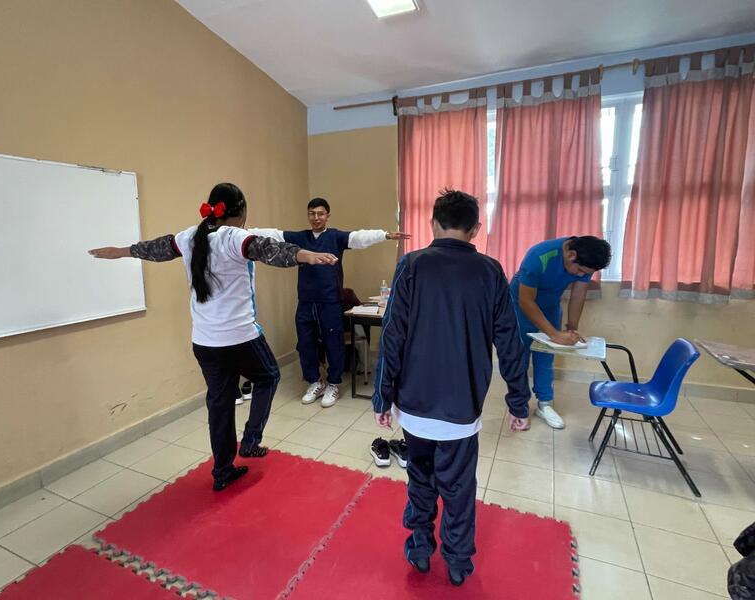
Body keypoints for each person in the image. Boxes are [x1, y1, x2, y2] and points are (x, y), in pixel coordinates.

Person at [89, 183, 337, 491]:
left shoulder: (190, 236)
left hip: (205, 342)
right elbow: (267, 250)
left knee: (220, 404)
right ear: (241, 212)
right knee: (269, 376)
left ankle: (222, 471)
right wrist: (304, 255)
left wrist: (123, 252)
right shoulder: (235, 237)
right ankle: (250, 440)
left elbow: (156, 248)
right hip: (240, 337)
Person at [372, 189, 531, 587]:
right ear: (476, 228)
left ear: (432, 223)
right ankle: (458, 561)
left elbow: (392, 335)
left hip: (414, 404)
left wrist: (382, 395)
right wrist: (518, 401)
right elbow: (510, 340)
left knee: (420, 479)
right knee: (459, 489)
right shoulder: (491, 271)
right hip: (462, 409)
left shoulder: (411, 265)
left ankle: (421, 549)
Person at [249, 197, 409, 408]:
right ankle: (315, 381)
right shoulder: (300, 237)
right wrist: (243, 233)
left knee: (334, 343)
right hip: (306, 302)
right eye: (312, 213)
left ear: (327, 215)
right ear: (308, 215)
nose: (316, 218)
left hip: (330, 302)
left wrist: (385, 235)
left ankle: (333, 383)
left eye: (320, 213)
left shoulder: (335, 237)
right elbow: (274, 234)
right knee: (305, 343)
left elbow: (359, 237)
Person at [509, 236, 611, 429]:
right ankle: (518, 406)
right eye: (580, 271)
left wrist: (571, 328)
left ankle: (544, 404)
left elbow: (578, 294)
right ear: (571, 255)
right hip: (520, 306)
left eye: (585, 273)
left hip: (550, 306)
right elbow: (526, 301)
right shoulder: (539, 255)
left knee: (546, 356)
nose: (581, 275)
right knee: (519, 358)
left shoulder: (585, 261)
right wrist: (554, 334)